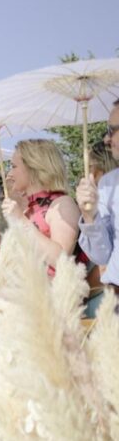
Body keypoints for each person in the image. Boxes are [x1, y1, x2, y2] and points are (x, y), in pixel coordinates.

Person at [1, 139, 80, 276]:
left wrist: (21, 220)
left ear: (33, 168)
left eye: (14, 166)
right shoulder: (28, 209)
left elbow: (60, 259)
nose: (10, 174)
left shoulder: (62, 204)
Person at [76, 99, 119, 318]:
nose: (107, 138)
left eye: (112, 130)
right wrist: (89, 215)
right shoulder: (109, 183)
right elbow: (102, 256)